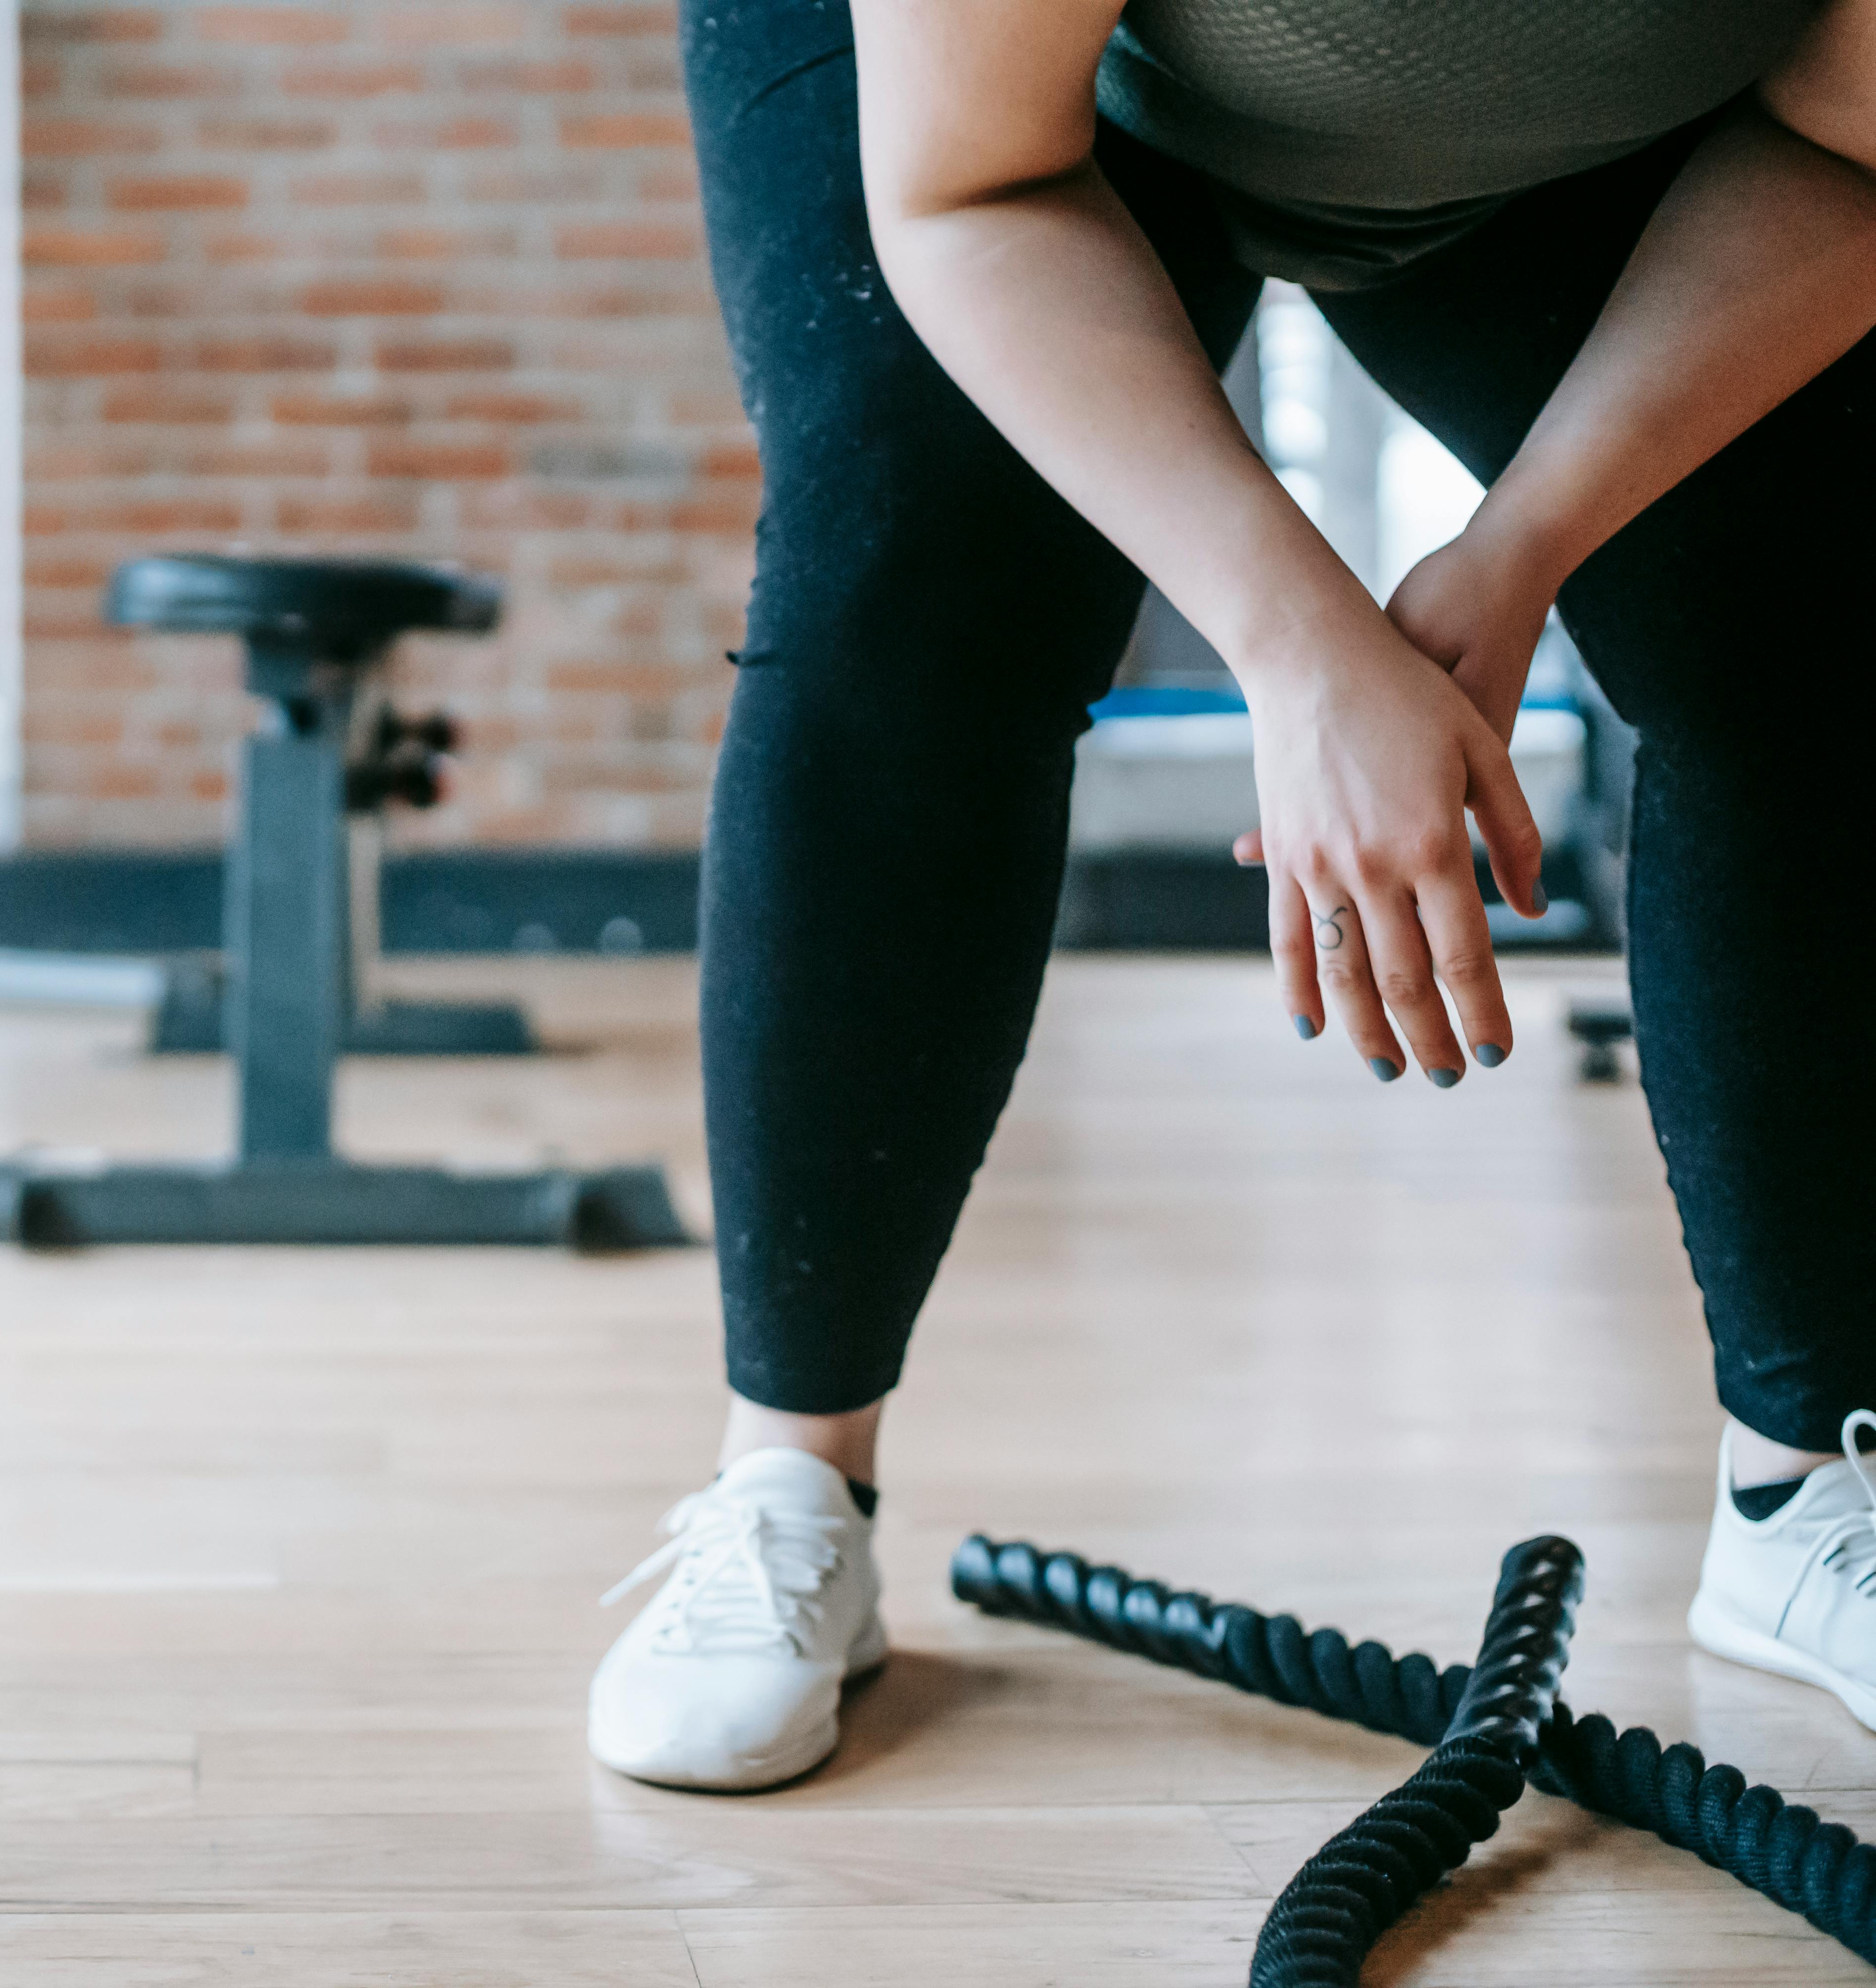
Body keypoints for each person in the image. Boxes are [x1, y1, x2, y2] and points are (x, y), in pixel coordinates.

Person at [590, 0, 1876, 1791]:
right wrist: (1295, 643)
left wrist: (1517, 557)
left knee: (1811, 593)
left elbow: (1849, 151)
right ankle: (789, 1474)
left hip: (1559, 150)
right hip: (1010, 130)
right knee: (911, 558)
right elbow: (973, 188)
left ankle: (1814, 1481)